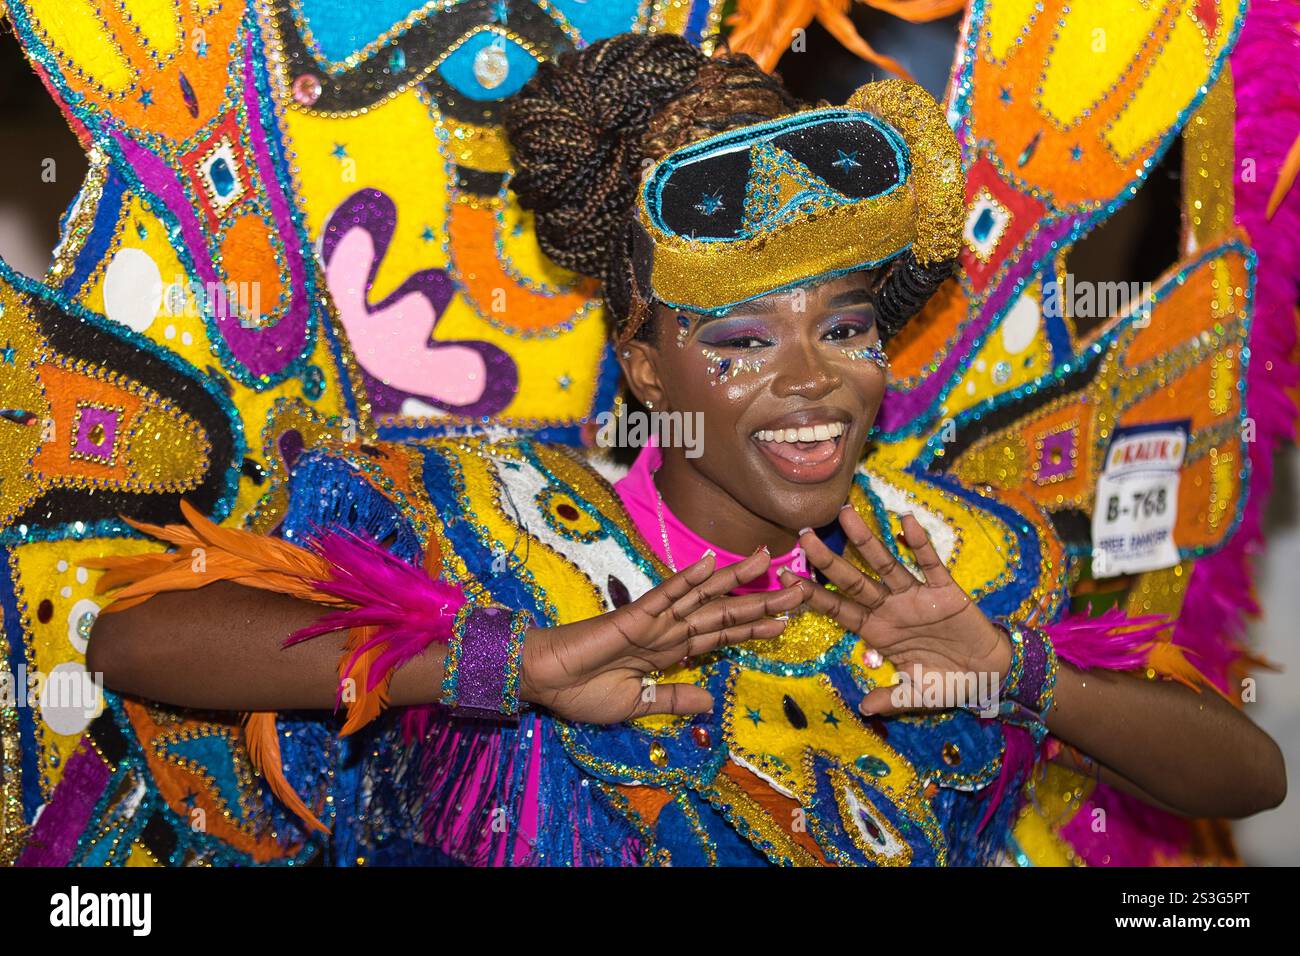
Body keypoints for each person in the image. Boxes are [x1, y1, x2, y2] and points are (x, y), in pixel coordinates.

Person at [85, 33, 1285, 867]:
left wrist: (1019, 674)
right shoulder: (480, 524)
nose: (812, 379)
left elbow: (1249, 777)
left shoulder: (955, 560)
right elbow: (136, 638)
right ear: (646, 366)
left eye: (848, 326)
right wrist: (508, 663)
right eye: (743, 339)